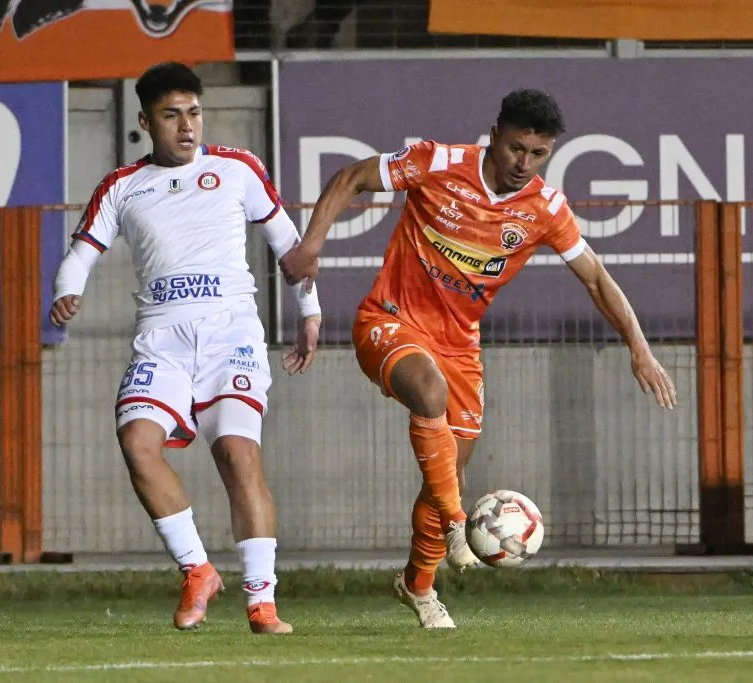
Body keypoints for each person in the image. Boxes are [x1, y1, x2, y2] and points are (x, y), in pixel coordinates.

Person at [279, 89, 676, 629]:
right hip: (388, 320)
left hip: (460, 346)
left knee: (449, 468)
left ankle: (418, 586)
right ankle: (459, 522)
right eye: (517, 149)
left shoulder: (544, 209)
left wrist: (640, 347)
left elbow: (597, 279)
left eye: (538, 154)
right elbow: (351, 177)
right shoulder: (436, 162)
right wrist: (313, 244)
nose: (524, 164)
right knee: (430, 395)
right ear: (495, 134)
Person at [49, 62, 322, 635]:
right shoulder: (122, 186)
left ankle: (262, 601)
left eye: (194, 112)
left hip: (231, 338)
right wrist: (68, 290)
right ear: (147, 120)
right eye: (172, 115)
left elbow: (288, 246)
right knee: (136, 443)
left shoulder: (238, 169)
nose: (186, 125)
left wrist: (309, 312)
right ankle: (198, 569)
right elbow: (81, 253)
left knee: (237, 454)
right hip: (162, 341)